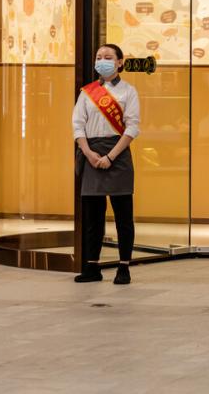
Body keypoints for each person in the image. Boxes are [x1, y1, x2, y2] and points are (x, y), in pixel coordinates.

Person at [72, 43, 140, 284]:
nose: (102, 61)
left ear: (120, 62)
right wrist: (88, 152)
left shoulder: (129, 91)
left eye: (108, 57)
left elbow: (132, 127)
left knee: (123, 215)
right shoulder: (87, 92)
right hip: (91, 153)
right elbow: (77, 125)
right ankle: (92, 266)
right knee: (93, 216)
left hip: (118, 154)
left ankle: (124, 267)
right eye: (99, 57)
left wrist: (111, 156)